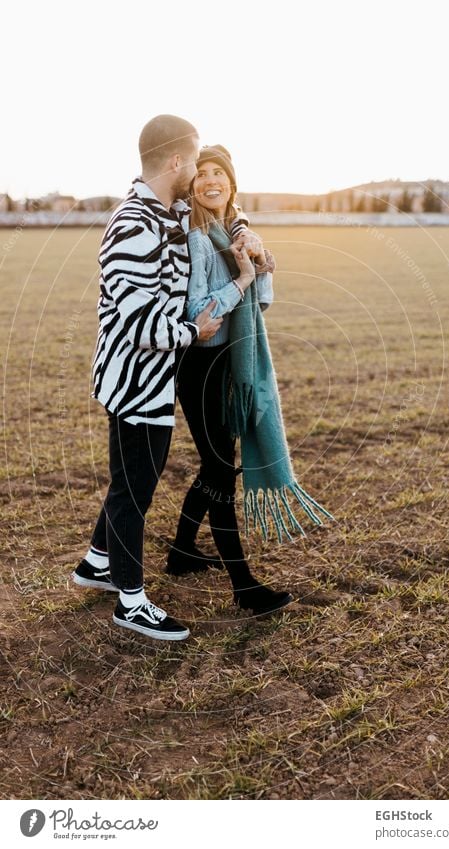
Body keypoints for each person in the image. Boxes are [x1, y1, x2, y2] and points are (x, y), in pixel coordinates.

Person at [71, 117, 251, 640]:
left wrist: (242, 229)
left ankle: (95, 564)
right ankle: (130, 601)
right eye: (194, 161)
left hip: (153, 379)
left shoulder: (163, 211)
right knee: (136, 490)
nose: (198, 173)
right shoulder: (134, 224)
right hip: (136, 382)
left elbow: (216, 213)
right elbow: (137, 321)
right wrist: (192, 331)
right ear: (175, 162)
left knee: (129, 479)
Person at [166, 145, 333, 615]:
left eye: (219, 173)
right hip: (202, 366)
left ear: (232, 184)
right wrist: (242, 277)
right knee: (220, 469)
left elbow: (260, 305)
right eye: (201, 174)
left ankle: (181, 554)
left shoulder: (232, 229)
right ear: (193, 186)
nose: (210, 180)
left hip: (229, 361)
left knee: (218, 465)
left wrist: (263, 270)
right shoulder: (200, 236)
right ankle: (243, 586)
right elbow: (199, 313)